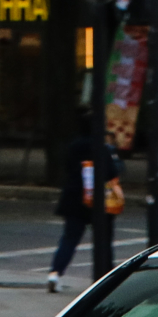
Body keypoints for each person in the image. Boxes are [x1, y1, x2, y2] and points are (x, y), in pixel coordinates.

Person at [47, 113, 122, 291]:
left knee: (69, 239)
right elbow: (111, 172)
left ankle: (55, 273)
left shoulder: (73, 146)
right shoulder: (102, 148)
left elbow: (66, 167)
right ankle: (105, 277)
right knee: (104, 239)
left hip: (74, 197)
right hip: (98, 198)